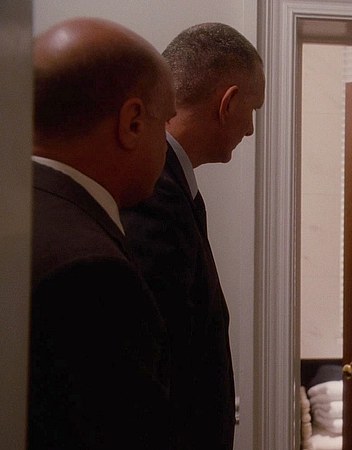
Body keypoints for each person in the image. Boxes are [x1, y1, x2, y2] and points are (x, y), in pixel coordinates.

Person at [29, 17, 176, 449]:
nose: (166, 145)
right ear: (132, 122)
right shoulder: (91, 272)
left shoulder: (22, 214)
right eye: (165, 124)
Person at [121, 22, 265, 450]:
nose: (251, 129)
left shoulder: (169, 183)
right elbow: (154, 360)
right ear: (228, 102)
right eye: (253, 109)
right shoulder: (153, 192)